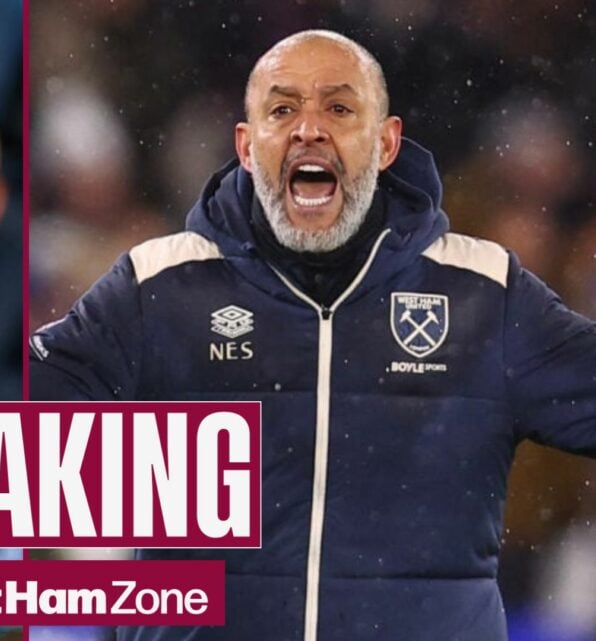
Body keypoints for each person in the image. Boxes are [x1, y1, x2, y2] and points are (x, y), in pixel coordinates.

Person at [29, 29, 596, 641]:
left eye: (339, 107)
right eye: (282, 110)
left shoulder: (484, 294)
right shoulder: (158, 287)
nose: (309, 129)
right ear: (246, 146)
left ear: (386, 143)